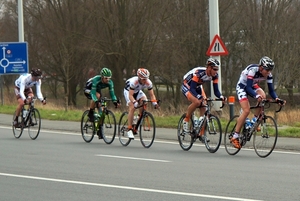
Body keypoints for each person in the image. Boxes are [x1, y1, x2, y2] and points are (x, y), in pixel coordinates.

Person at [231, 56, 286, 148]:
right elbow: (247, 87)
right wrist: (256, 96)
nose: (268, 72)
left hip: (252, 86)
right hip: (242, 87)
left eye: (270, 70)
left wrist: (277, 99)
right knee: (246, 110)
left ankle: (254, 122)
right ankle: (235, 136)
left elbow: (271, 91)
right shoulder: (252, 70)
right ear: (261, 67)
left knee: (263, 96)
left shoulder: (269, 75)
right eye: (267, 70)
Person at [181, 58, 226, 137]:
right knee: (197, 102)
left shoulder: (215, 76)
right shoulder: (199, 73)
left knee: (204, 105)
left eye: (217, 69)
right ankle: (186, 120)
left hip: (198, 86)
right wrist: (198, 96)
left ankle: (200, 133)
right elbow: (192, 89)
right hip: (187, 85)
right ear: (209, 67)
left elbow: (216, 91)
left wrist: (221, 97)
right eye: (214, 69)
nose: (216, 71)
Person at [123, 68, 159, 139]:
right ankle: (129, 129)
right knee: (132, 107)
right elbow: (130, 95)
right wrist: (134, 102)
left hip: (137, 91)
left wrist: (155, 103)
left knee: (145, 101)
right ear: (139, 78)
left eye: (146, 79)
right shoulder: (134, 82)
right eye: (143, 79)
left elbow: (152, 95)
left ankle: (138, 120)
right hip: (128, 92)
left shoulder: (148, 82)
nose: (145, 81)